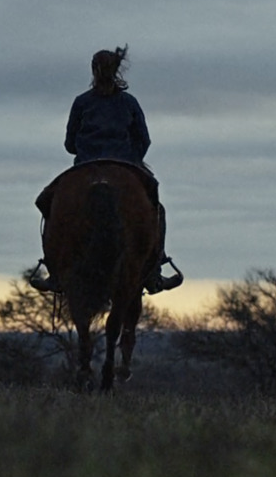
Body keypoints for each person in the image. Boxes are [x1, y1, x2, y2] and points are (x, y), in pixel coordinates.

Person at [29, 45, 182, 294]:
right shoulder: (129, 103)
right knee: (156, 208)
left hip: (86, 168)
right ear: (116, 71)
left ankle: (55, 271)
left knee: (47, 203)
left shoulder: (81, 102)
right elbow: (144, 140)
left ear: (93, 71)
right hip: (126, 164)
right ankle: (154, 271)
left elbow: (69, 144)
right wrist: (132, 162)